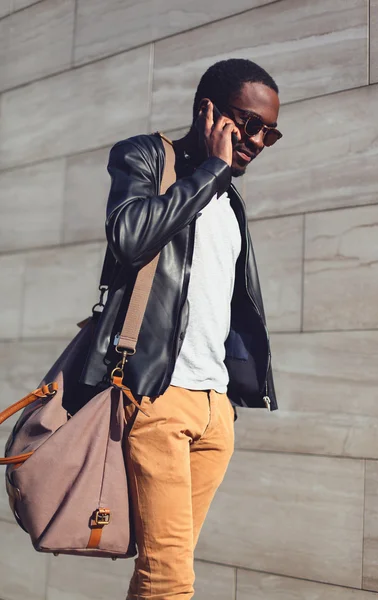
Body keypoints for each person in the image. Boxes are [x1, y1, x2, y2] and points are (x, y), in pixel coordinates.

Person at [81, 58, 281, 599]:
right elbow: (128, 236)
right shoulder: (148, 157)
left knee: (159, 575)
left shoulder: (231, 202)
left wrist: (232, 396)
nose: (259, 140)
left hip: (214, 412)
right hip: (160, 400)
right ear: (208, 111)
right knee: (171, 582)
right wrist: (209, 173)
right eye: (249, 124)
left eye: (271, 132)